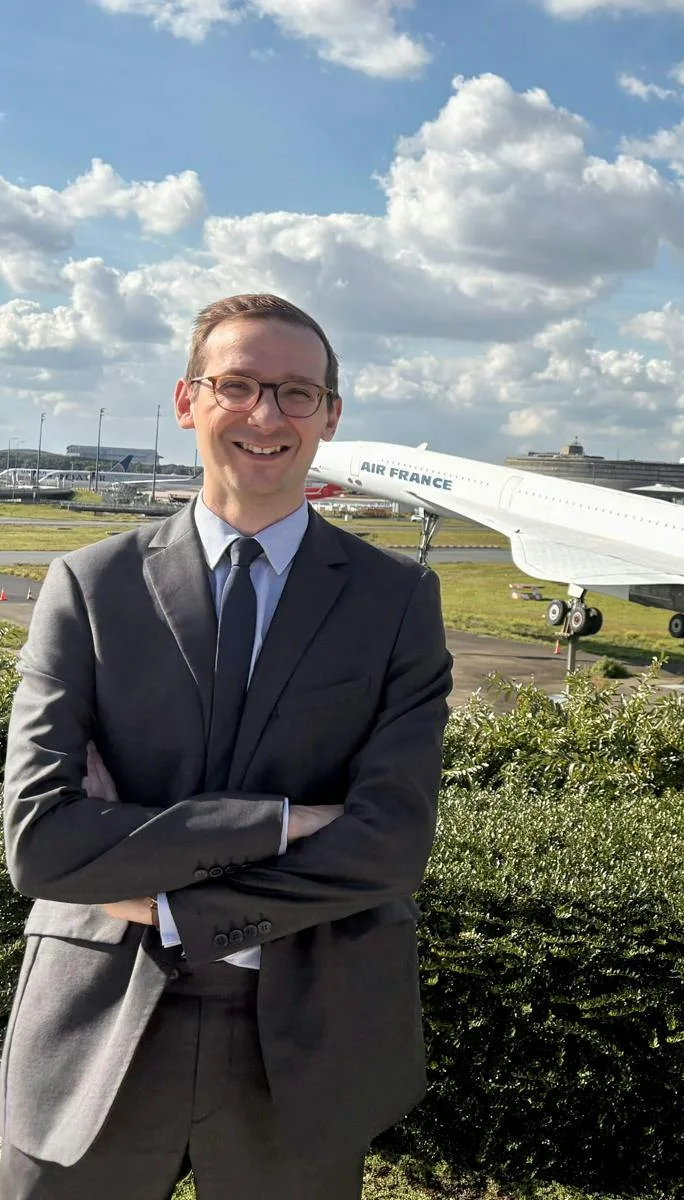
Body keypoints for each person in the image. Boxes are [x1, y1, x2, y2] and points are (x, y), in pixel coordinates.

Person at [1, 294, 453, 1198]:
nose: (265, 415)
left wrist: (164, 896)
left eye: (294, 392)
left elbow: (390, 847)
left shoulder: (397, 600)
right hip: (94, 1027)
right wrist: (287, 821)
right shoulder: (89, 587)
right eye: (237, 385)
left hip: (304, 1042)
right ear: (187, 400)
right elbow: (42, 842)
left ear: (331, 415)